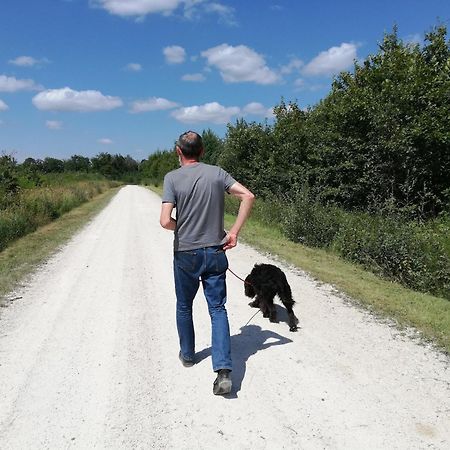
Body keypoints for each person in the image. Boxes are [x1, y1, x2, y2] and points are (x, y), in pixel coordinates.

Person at [160, 130, 255, 395]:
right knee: (217, 308)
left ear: (179, 151)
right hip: (215, 251)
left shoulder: (172, 178)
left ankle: (188, 354)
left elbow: (166, 221)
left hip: (186, 254)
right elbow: (248, 196)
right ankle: (224, 370)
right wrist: (233, 232)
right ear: (202, 151)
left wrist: (184, 228)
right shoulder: (217, 173)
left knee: (183, 305)